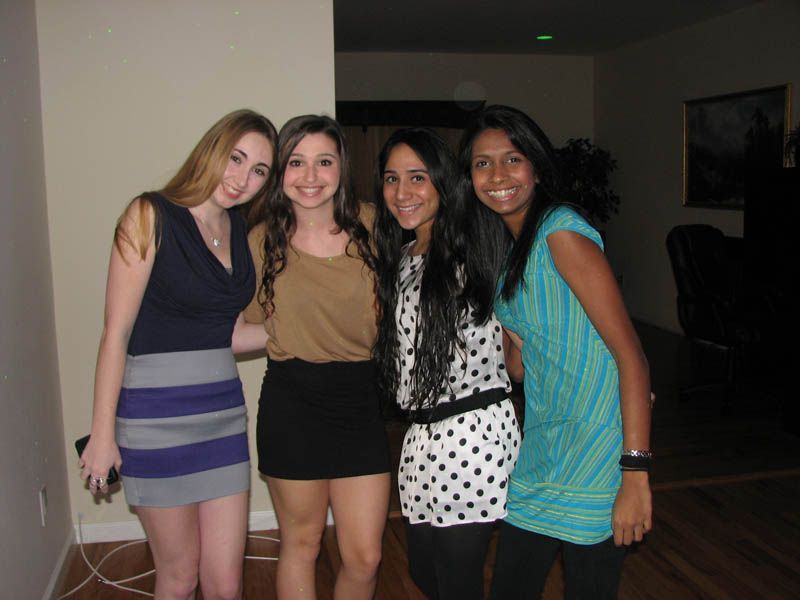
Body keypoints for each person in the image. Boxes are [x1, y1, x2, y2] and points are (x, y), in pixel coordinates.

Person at [78, 108, 278, 600]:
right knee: (179, 575)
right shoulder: (149, 214)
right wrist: (102, 436)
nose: (242, 179)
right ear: (212, 150)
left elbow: (229, 334)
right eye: (236, 158)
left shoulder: (238, 229)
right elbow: (115, 333)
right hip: (153, 423)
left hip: (223, 419)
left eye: (259, 171)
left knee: (225, 584)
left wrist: (301, 331)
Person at [457, 105, 653, 599]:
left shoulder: (560, 231)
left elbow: (631, 356)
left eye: (512, 159)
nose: (497, 175)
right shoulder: (510, 253)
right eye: (482, 163)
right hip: (544, 445)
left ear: (537, 167)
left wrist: (635, 474)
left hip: (595, 451)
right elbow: (521, 369)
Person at [239, 115, 390, 600]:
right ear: (280, 170)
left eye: (324, 162)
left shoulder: (375, 224)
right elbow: (242, 327)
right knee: (300, 544)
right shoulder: (262, 240)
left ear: (341, 167)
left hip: (360, 403)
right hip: (292, 403)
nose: (310, 176)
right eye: (296, 162)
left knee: (365, 557)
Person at [372, 127, 521, 599]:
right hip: (421, 439)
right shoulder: (401, 256)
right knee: (424, 572)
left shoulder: (476, 250)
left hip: (473, 432)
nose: (402, 192)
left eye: (418, 177)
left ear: (444, 182)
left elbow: (528, 330)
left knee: (456, 582)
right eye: (392, 178)